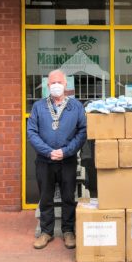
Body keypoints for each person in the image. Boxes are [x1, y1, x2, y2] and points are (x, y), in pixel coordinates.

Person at [27, 69, 86, 250]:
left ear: (66, 84)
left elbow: (82, 132)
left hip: (67, 160)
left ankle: (68, 231)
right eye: (53, 83)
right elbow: (32, 132)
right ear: (47, 85)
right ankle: (46, 232)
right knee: (46, 197)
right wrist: (48, 151)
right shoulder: (38, 106)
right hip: (45, 161)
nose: (56, 86)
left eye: (59, 82)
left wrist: (66, 151)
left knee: (68, 196)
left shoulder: (75, 106)